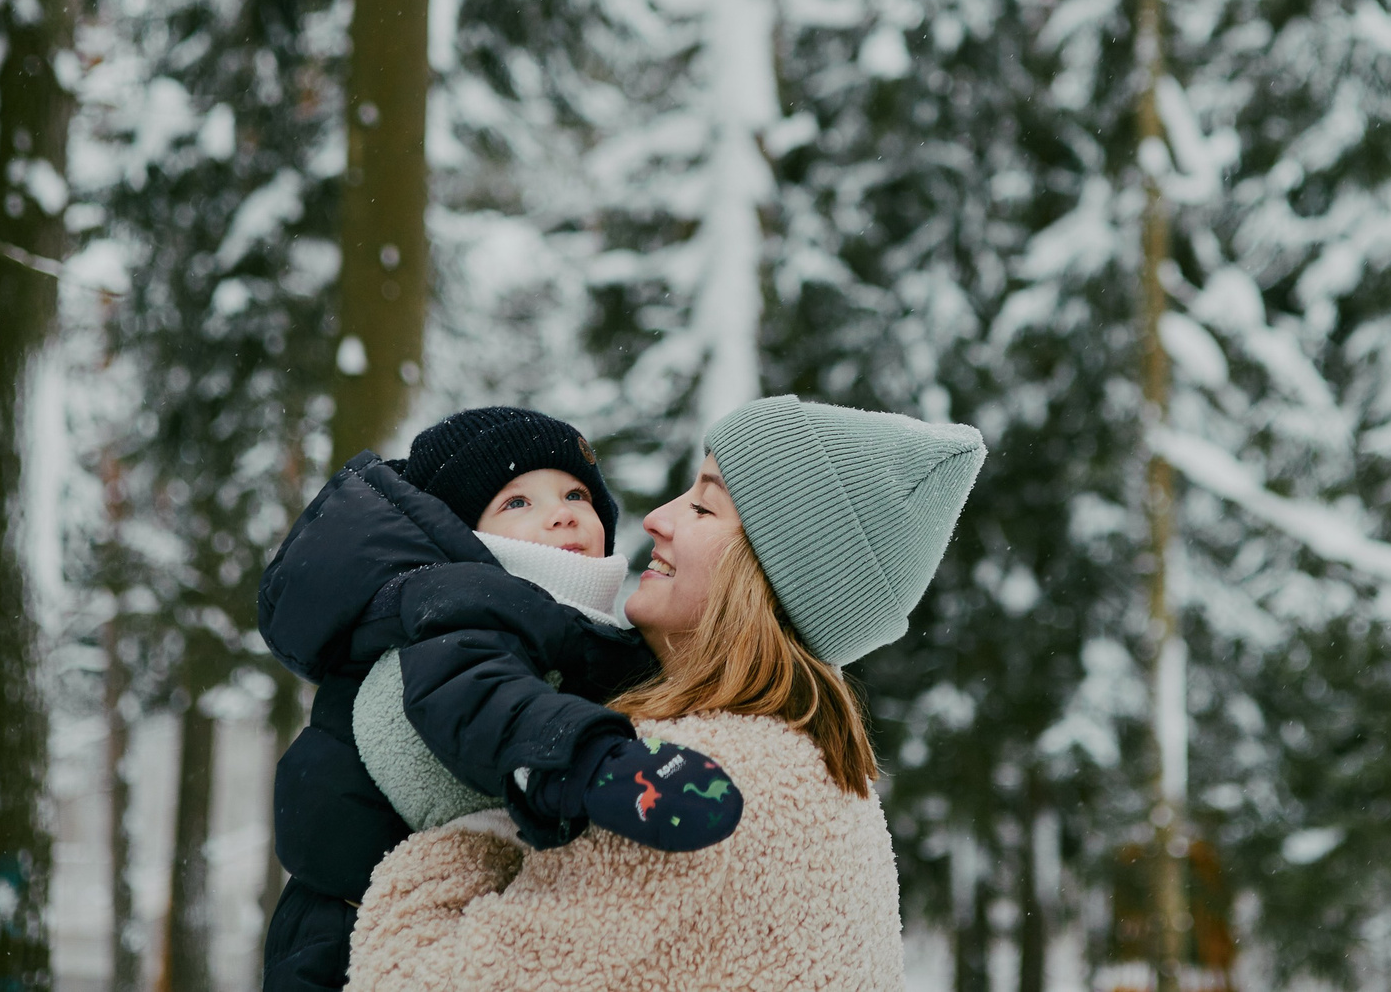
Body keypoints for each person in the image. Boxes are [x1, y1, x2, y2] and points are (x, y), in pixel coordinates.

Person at [347, 396, 986, 992]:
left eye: (704, 507)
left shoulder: (681, 789)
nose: (655, 518)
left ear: (768, 574)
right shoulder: (815, 773)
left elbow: (404, 977)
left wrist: (457, 829)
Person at [257, 408, 743, 992]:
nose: (562, 513)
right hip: (340, 929)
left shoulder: (571, 626)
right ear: (465, 534)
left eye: (576, 494)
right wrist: (591, 763)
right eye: (518, 502)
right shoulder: (458, 605)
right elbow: (479, 697)